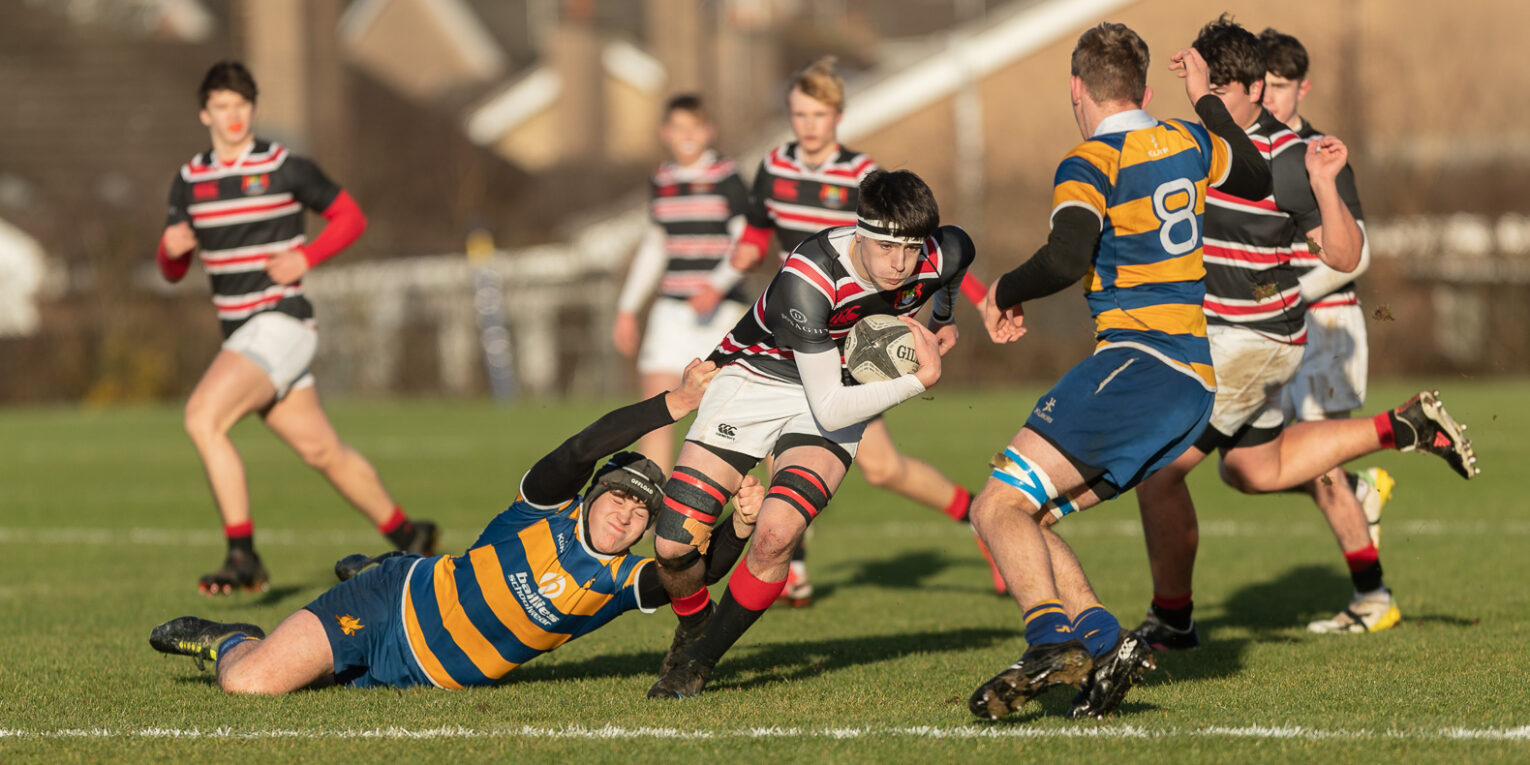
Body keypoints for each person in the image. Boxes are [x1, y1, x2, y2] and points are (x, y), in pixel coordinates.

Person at [1132, 17, 1478, 651]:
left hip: (1254, 339)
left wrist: (1323, 187)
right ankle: (1400, 427)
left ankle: (1173, 622)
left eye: (1217, 88)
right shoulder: (1192, 143)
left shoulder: (1289, 157)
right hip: (1242, 336)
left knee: (1159, 476)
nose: (1206, 98)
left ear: (1251, 89)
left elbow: (1348, 255)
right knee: (1253, 469)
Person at [965, 21, 1273, 721]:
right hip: (1193, 382)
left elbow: (1068, 255)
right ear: (1146, 87)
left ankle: (1047, 641)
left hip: (1138, 364)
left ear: (1077, 89)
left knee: (995, 507)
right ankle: (1104, 644)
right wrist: (1207, 101)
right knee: (1031, 515)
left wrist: (1005, 292)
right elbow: (1256, 175)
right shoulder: (1187, 137)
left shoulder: (1089, 161)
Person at [148, 359, 767, 693]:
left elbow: (697, 574)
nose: (626, 516)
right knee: (253, 685)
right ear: (589, 497)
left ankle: (367, 568)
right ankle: (229, 638)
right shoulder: (542, 509)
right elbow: (581, 450)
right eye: (617, 500)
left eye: (640, 515)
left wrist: (739, 525)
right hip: (392, 605)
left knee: (324, 685)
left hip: (425, 676)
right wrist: (672, 405)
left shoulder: (621, 580)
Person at [647, 169, 976, 698]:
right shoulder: (810, 277)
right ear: (860, 232)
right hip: (757, 376)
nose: (901, 263)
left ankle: (697, 663)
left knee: (777, 534)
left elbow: (957, 260)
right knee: (672, 545)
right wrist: (921, 378)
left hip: (835, 383)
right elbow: (829, 401)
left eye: (912, 248)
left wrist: (943, 316)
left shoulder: (942, 251)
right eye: (888, 247)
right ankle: (693, 622)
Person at [689, 56, 995, 604]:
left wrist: (975, 304)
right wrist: (724, 275)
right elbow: (757, 239)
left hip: (852, 336)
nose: (809, 125)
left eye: (820, 114)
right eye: (799, 114)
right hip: (794, 327)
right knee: (773, 448)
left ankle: (980, 517)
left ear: (838, 116)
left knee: (880, 467)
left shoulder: (865, 177)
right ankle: (792, 563)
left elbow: (928, 253)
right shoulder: (774, 168)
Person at [155, 61, 435, 596]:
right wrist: (169, 254)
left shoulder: (286, 167)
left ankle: (243, 554)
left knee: (202, 418)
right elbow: (172, 269)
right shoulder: (190, 181)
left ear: (253, 110)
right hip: (242, 335)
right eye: (222, 106)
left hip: (282, 323)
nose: (233, 116)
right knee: (321, 451)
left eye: (242, 106)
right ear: (204, 113)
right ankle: (410, 533)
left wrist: (306, 256)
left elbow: (351, 217)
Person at [1262, 26, 1392, 552]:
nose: (1270, 96)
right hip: (1281, 326)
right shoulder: (1257, 153)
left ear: (1303, 89)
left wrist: (1289, 289)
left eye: (1280, 84)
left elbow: (1356, 255)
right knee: (1254, 456)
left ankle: (1371, 595)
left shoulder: (1323, 152)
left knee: (1315, 459)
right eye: (1261, 84)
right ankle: (1363, 490)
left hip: (1329, 322)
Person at [612, 95, 752, 476]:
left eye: (695, 126)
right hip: (671, 311)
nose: (686, 135)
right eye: (678, 127)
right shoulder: (662, 179)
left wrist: (716, 286)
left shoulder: (727, 177)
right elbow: (657, 245)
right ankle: (653, 509)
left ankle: (776, 513)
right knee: (656, 411)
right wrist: (627, 308)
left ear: (709, 131)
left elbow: (747, 243)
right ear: (665, 133)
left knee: (738, 417)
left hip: (721, 313)